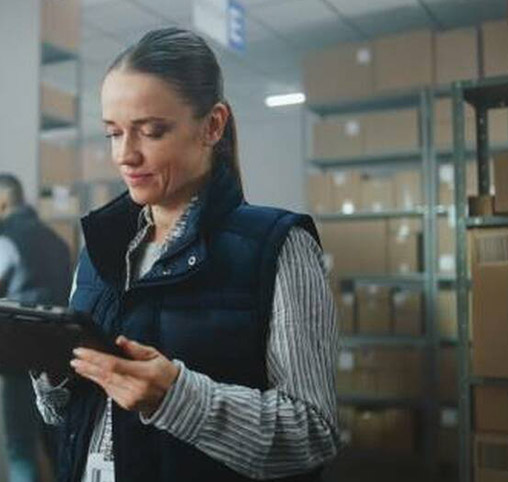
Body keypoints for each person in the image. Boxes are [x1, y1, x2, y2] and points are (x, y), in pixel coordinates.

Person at [31, 28, 339, 482]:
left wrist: (176, 398)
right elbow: (63, 417)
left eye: (151, 131)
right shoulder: (100, 248)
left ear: (212, 125)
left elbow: (313, 433)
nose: (125, 155)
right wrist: (52, 374)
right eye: (114, 133)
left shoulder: (277, 246)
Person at [0, 173, 72, 482]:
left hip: (21, 362)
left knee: (21, 449)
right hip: (59, 360)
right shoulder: (57, 241)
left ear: (0, 202)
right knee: (57, 449)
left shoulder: (7, 240)